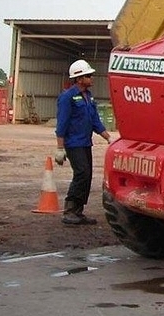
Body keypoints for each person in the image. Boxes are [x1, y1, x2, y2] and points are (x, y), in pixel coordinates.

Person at [55, 59, 111, 225]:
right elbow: (62, 123)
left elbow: (95, 121)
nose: (92, 78)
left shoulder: (88, 97)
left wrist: (108, 137)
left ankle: (78, 212)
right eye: (88, 76)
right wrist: (60, 147)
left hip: (85, 143)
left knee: (87, 176)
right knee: (81, 174)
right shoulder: (67, 97)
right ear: (79, 79)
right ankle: (70, 211)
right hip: (73, 144)